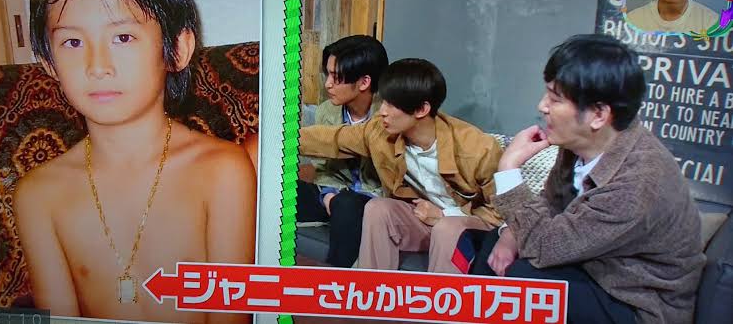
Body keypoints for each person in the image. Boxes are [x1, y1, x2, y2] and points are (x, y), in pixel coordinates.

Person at [13, 0, 255, 324]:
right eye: (73, 42)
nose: (97, 66)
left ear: (177, 49)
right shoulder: (38, 194)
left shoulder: (222, 171)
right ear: (49, 63)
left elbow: (229, 316)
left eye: (123, 37)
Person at [464, 34, 705, 324]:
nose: (542, 106)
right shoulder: (581, 144)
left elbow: (544, 246)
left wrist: (508, 169)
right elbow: (549, 204)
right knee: (495, 245)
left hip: (634, 301)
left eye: (555, 99)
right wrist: (508, 236)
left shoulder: (637, 183)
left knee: (525, 280)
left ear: (598, 115)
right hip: (591, 265)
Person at [299, 58, 503, 273]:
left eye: (391, 104)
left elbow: (500, 215)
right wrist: (280, 136)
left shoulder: (478, 149)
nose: (382, 111)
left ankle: (439, 295)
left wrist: (446, 215)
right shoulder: (380, 132)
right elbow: (333, 139)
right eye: (383, 102)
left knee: (446, 228)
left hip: (468, 225)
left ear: (422, 109)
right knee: (378, 209)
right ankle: (373, 289)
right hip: (423, 217)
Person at [297, 35, 388, 267]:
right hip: (334, 195)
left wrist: (339, 200)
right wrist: (327, 194)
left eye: (336, 77)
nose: (328, 84)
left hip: (372, 200)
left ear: (364, 82)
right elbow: (323, 168)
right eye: (327, 75)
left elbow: (392, 179)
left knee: (346, 204)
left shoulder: (389, 114)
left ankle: (336, 279)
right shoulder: (327, 111)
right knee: (280, 190)